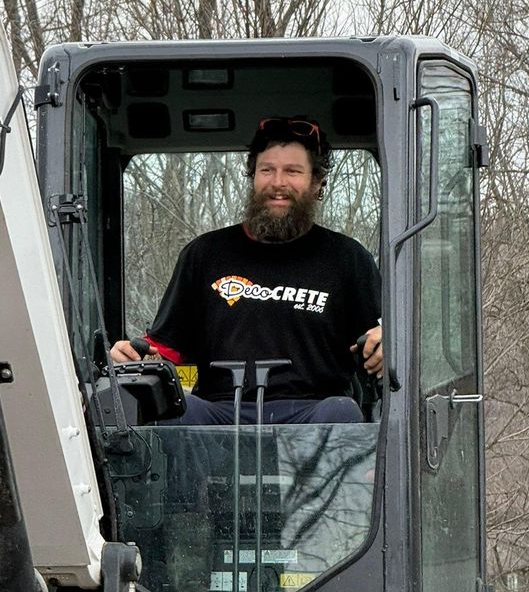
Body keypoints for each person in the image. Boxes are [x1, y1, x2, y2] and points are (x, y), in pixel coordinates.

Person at [111, 116, 382, 425]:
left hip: (313, 415)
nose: (278, 182)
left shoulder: (348, 258)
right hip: (220, 413)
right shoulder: (204, 254)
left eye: (292, 171)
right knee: (180, 413)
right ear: (253, 177)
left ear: (317, 183)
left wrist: (385, 344)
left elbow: (375, 344)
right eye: (267, 170)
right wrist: (133, 357)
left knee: (341, 411)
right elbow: (164, 349)